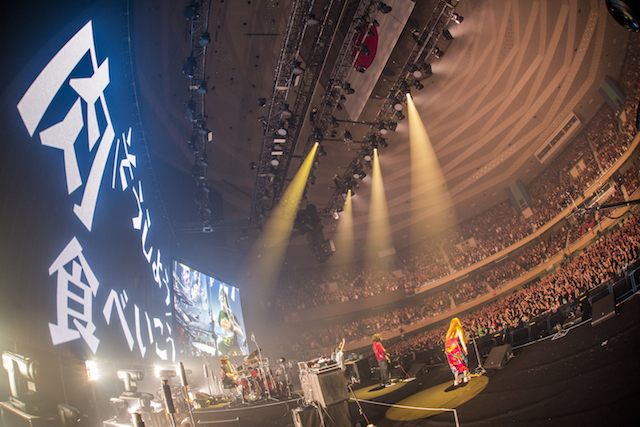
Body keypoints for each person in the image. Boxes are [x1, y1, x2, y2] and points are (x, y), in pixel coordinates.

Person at [444, 317, 470, 386]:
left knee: (453, 365)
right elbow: (461, 340)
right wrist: (465, 348)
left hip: (449, 352)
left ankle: (456, 380)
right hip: (456, 350)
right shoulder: (458, 329)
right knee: (462, 362)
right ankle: (465, 377)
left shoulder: (449, 332)